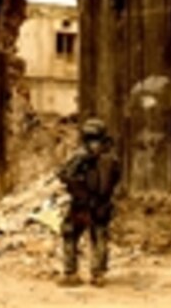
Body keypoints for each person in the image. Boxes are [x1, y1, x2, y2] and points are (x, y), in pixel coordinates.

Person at [56, 117, 121, 287]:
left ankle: (71, 273)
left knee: (70, 233)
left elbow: (64, 175)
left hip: (82, 204)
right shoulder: (112, 158)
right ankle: (98, 274)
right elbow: (116, 179)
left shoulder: (81, 156)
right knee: (99, 237)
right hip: (101, 204)